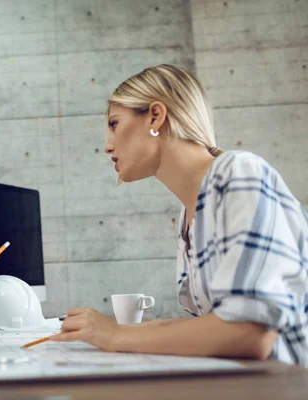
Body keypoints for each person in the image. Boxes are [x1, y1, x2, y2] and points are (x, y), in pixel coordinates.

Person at [51, 64, 308, 366]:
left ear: (156, 116)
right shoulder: (188, 214)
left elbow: (248, 332)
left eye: (114, 124)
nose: (108, 146)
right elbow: (209, 325)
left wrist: (114, 336)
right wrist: (111, 331)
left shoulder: (239, 173)